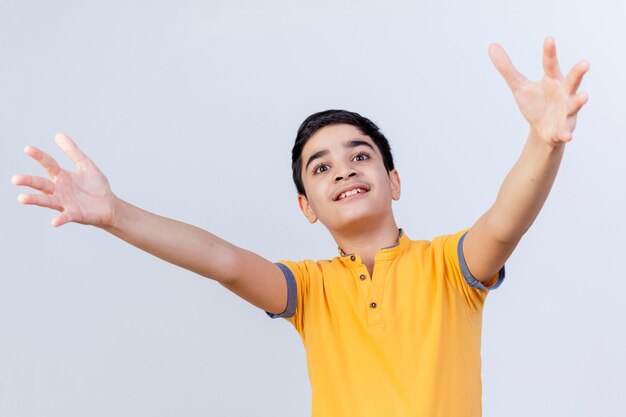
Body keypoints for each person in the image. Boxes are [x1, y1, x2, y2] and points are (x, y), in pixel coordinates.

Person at [12, 37, 589, 417]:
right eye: (322, 167)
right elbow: (223, 261)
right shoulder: (310, 292)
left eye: (359, 156)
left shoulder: (450, 267)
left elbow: (506, 221)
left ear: (393, 181)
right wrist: (117, 215)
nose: (343, 170)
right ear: (306, 205)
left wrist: (543, 142)